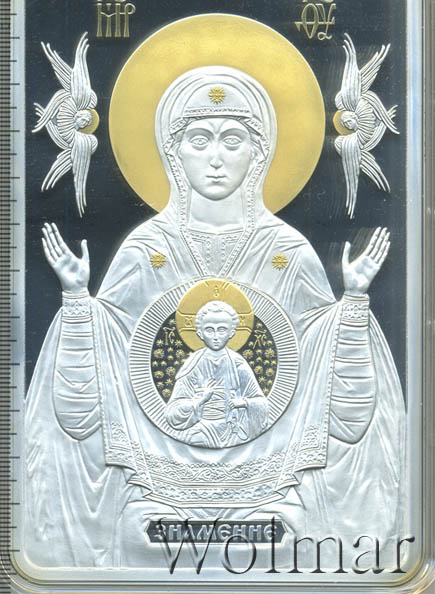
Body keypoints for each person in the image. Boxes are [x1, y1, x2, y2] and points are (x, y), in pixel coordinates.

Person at [25, 66, 405, 568]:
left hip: (268, 487)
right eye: (200, 140)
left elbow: (343, 413)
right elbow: (83, 411)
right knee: (136, 533)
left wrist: (353, 304)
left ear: (259, 153)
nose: (216, 159)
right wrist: (77, 301)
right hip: (160, 487)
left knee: (291, 533)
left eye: (233, 140)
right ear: (174, 153)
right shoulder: (145, 249)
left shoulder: (288, 251)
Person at [165, 301, 268, 447]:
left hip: (234, 430)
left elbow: (261, 403)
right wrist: (200, 400)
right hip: (201, 429)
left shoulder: (238, 364)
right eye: (209, 330)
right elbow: (172, 412)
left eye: (221, 330)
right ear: (200, 334)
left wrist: (243, 403)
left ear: (231, 333)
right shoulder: (192, 366)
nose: (215, 336)